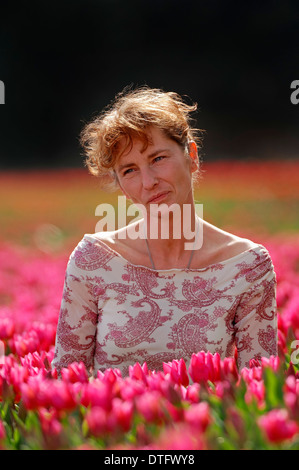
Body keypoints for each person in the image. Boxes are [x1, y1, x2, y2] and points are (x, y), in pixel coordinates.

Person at [52, 86, 277, 377]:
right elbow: (65, 379)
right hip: (112, 423)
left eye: (158, 158)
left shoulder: (247, 266)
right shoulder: (93, 260)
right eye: (129, 170)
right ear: (120, 185)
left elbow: (260, 385)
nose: (148, 182)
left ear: (192, 156)